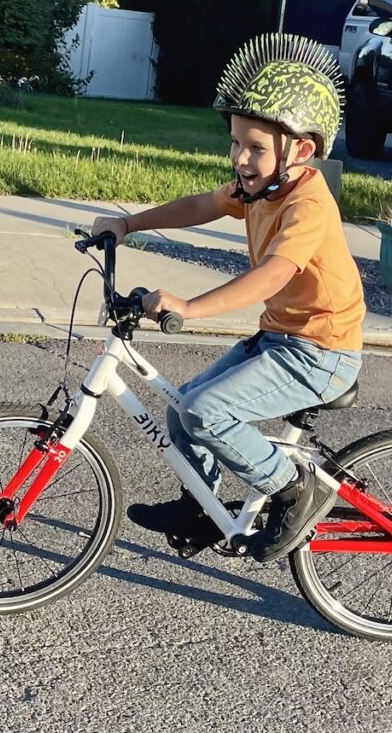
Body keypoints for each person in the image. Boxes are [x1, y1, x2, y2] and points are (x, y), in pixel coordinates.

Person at [91, 33, 365, 563]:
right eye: (236, 142)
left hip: (323, 351)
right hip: (280, 338)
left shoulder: (307, 204)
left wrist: (189, 308)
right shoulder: (259, 187)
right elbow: (201, 204)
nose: (240, 157)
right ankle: (200, 509)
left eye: (256, 148)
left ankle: (295, 490)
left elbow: (269, 277)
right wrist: (128, 224)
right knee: (180, 410)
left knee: (204, 411)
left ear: (301, 151)